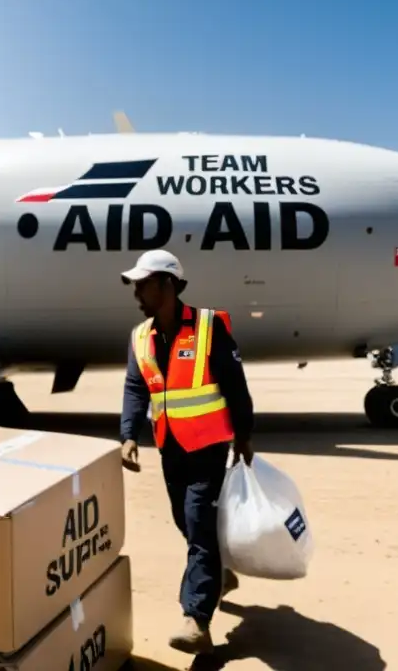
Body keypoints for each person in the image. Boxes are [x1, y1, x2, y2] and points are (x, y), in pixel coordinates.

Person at [118, 249, 255, 655]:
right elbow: (135, 387)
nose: (137, 293)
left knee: (198, 526)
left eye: (143, 284)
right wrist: (129, 435)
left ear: (168, 284)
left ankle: (196, 620)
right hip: (170, 448)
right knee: (188, 522)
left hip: (209, 447)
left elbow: (235, 385)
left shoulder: (210, 326)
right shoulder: (140, 336)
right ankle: (218, 572)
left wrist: (244, 437)